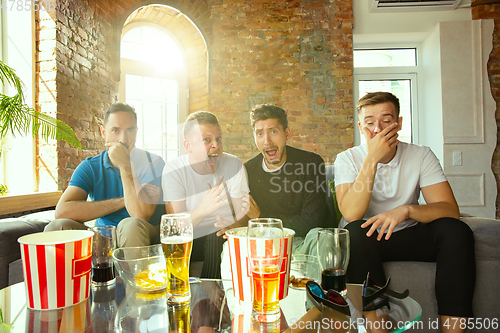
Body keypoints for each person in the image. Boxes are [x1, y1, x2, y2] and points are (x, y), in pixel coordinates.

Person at [334, 92, 475, 332]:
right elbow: (351, 213)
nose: (377, 128)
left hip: (409, 232)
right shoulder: (347, 159)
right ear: (360, 126)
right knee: (354, 232)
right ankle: (379, 328)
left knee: (456, 230)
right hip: (370, 238)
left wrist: (407, 210)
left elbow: (450, 210)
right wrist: (372, 159)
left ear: (398, 123)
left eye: (386, 120)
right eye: (369, 122)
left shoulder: (421, 155)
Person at [45, 103, 165, 247]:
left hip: (142, 234)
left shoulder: (154, 163)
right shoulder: (90, 166)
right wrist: (123, 201)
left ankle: (132, 270)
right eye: (115, 130)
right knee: (56, 227)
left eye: (130, 131)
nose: (122, 139)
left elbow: (141, 215)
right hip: (103, 238)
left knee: (129, 225)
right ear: (103, 132)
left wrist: (125, 166)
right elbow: (62, 212)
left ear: (136, 132)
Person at [162, 111, 250, 279]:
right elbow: (174, 227)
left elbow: (245, 217)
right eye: (207, 140)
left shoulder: (234, 166)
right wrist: (204, 209)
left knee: (215, 233)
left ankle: (211, 297)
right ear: (188, 146)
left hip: (219, 235)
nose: (216, 145)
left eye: (219, 139)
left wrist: (234, 226)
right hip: (189, 234)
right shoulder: (174, 170)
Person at [244, 104, 329, 240]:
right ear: (254, 136)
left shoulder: (311, 163)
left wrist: (261, 218)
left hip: (308, 241)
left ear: (287, 133)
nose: (267, 141)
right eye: (260, 133)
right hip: (266, 242)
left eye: (273, 132)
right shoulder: (248, 170)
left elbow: (311, 223)